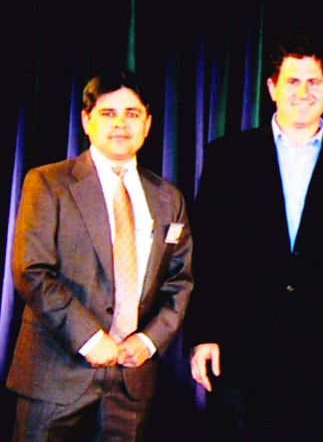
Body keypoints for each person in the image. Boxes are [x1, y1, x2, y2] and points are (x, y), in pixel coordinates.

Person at [186, 34, 323, 441]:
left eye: (314, 82)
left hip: (321, 353)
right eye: (292, 81)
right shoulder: (228, 156)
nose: (303, 92)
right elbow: (205, 252)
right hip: (240, 348)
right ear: (272, 87)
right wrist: (203, 334)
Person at [7, 69, 194, 441]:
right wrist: (90, 340)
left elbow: (179, 281)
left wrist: (149, 340)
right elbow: (32, 271)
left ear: (148, 124)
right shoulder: (48, 183)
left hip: (132, 384)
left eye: (132, 113)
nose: (121, 124)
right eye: (108, 113)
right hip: (55, 378)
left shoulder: (168, 198)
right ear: (86, 121)